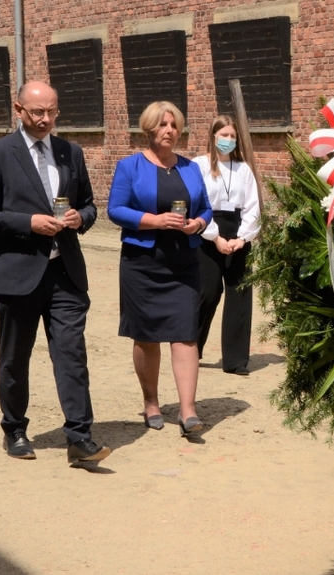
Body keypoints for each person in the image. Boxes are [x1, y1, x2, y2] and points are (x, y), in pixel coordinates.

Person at [0, 81, 111, 465]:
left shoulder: (70, 152)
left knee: (71, 354)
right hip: (17, 273)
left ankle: (80, 437)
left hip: (65, 272)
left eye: (52, 111)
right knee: (15, 357)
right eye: (37, 112)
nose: (46, 119)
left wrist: (82, 218)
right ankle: (14, 428)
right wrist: (26, 222)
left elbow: (90, 206)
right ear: (18, 109)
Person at [106, 101, 212, 436]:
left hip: (184, 262)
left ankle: (188, 411)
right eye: (162, 125)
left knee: (186, 334)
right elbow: (115, 210)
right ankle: (151, 402)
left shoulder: (191, 168)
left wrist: (197, 223)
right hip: (143, 263)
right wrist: (154, 221)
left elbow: (207, 209)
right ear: (149, 128)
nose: (169, 131)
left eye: (174, 125)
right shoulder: (130, 167)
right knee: (147, 335)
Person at [193, 116, 261, 375]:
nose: (229, 140)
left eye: (233, 136)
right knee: (208, 293)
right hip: (208, 229)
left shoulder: (243, 169)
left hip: (237, 229)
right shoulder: (198, 166)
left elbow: (253, 206)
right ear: (213, 136)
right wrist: (214, 236)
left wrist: (242, 237)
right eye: (224, 135)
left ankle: (235, 360)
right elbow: (196, 202)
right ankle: (192, 347)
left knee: (239, 293)